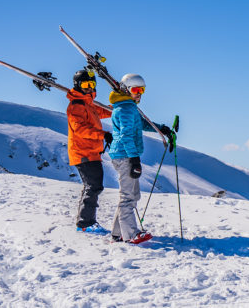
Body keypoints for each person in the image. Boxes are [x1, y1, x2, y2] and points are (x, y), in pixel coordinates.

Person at [108, 73, 174, 244]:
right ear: (125, 89)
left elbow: (142, 124)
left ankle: (118, 233)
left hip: (125, 155)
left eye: (142, 90)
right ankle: (130, 234)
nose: (139, 93)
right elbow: (126, 135)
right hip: (125, 155)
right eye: (136, 89)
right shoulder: (125, 109)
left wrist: (162, 129)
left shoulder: (129, 107)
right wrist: (134, 159)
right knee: (128, 196)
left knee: (132, 194)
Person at [66, 69, 113, 233]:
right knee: (93, 186)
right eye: (86, 85)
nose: (89, 88)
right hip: (83, 153)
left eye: (92, 85)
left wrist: (119, 106)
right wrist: (103, 135)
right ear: (78, 86)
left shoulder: (89, 105)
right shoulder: (76, 106)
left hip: (91, 152)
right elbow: (80, 129)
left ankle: (86, 222)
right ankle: (85, 223)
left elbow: (104, 112)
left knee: (94, 186)